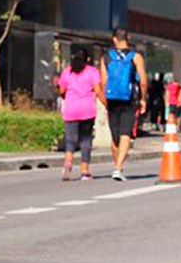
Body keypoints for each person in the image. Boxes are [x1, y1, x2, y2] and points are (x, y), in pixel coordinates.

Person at [101, 29, 148, 182]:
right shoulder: (136, 57)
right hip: (129, 99)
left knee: (115, 136)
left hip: (112, 99)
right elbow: (143, 81)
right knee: (125, 133)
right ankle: (118, 167)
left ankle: (117, 166)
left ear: (114, 39)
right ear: (128, 38)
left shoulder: (106, 57)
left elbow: (103, 82)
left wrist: (105, 101)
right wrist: (142, 99)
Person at [57, 47, 105, 181]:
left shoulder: (67, 72)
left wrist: (68, 96)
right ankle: (85, 171)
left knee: (70, 140)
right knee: (85, 140)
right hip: (87, 110)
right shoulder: (92, 72)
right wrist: (106, 104)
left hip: (71, 108)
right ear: (88, 59)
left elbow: (61, 90)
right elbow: (98, 90)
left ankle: (68, 163)